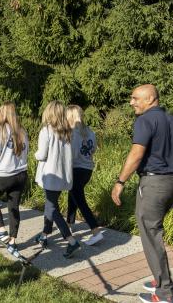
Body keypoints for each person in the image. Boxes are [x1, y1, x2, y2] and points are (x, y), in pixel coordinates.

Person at [111, 85, 173, 303]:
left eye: (135, 98)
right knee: (155, 232)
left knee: (152, 236)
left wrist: (120, 181)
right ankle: (162, 279)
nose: (131, 102)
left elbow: (136, 153)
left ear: (150, 99)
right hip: (172, 180)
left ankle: (164, 293)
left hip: (153, 183)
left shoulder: (144, 121)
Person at [33, 101, 80, 259]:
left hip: (51, 176)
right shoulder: (68, 132)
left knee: (53, 209)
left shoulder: (46, 131)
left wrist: (34, 154)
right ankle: (45, 235)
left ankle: (71, 240)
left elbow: (42, 155)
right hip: (63, 176)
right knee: (50, 205)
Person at [0, 102, 29, 258]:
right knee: (14, 207)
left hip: (4, 174)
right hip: (21, 174)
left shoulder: (1, 129)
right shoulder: (22, 130)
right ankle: (12, 241)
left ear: (3, 113)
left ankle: (1, 231)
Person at [66, 105, 103, 246]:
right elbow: (93, 149)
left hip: (76, 169)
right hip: (87, 169)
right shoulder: (90, 131)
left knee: (80, 201)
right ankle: (69, 223)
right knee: (73, 195)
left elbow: (72, 154)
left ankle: (95, 231)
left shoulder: (72, 133)